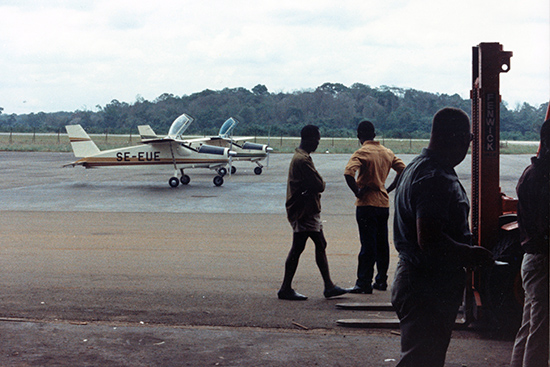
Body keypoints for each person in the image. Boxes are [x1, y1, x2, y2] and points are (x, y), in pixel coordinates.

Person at [391, 107, 494, 367]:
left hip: (418, 280)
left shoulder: (415, 167)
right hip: (428, 286)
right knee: (422, 360)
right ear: (456, 137)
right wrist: (470, 254)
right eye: (468, 139)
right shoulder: (436, 177)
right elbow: (429, 239)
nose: (468, 146)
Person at [278, 125, 347, 301]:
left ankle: (327, 286)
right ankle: (289, 288)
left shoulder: (301, 157)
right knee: (302, 246)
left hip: (306, 209)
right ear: (309, 138)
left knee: (317, 244)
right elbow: (319, 185)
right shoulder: (303, 161)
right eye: (317, 139)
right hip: (304, 211)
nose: (318, 143)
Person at [344, 120, 405, 293]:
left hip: (366, 204)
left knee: (367, 244)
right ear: (375, 134)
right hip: (383, 203)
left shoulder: (361, 153)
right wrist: (389, 188)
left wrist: (357, 191)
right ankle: (381, 281)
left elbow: (348, 173)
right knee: (382, 244)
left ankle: (363, 282)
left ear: (359, 136)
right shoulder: (387, 152)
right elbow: (403, 170)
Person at [510, 119, 549, 367]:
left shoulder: (533, 173)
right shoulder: (541, 179)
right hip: (543, 261)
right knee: (540, 333)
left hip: (534, 260)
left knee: (529, 327)